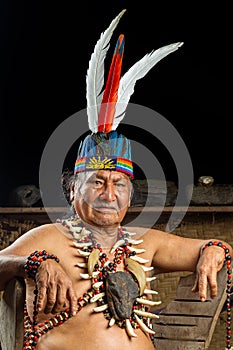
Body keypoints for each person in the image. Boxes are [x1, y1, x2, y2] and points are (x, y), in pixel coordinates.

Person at [0, 9, 232, 350]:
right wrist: (36, 262)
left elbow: (217, 249)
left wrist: (215, 250)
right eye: (97, 182)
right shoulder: (48, 238)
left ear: (129, 194)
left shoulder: (145, 242)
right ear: (72, 188)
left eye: (119, 184)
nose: (109, 193)